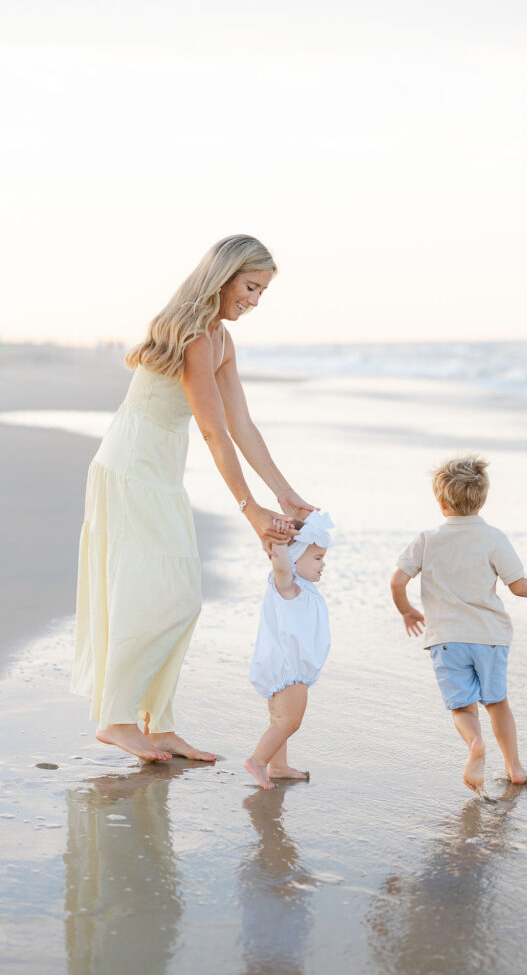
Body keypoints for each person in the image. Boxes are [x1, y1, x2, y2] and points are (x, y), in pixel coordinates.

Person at [71, 235, 315, 763]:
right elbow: (212, 431)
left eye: (262, 291)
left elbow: (242, 425)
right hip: (132, 467)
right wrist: (251, 510)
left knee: (181, 598)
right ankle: (117, 720)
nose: (254, 300)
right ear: (223, 277)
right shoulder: (195, 336)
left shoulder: (222, 339)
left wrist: (286, 493)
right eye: (250, 286)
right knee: (163, 597)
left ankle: (158, 726)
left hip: (159, 469)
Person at [390, 455, 527, 793]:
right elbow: (518, 585)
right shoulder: (493, 537)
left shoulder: (427, 539)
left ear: (441, 503)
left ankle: (475, 744)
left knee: (463, 708)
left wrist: (407, 611)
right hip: (490, 639)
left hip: (446, 640)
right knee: (497, 704)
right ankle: (515, 768)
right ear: (482, 500)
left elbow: (396, 582)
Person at [245, 511, 333, 790]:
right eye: (317, 558)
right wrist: (281, 543)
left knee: (280, 720)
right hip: (289, 669)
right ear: (295, 559)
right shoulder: (288, 585)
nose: (324, 564)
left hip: (288, 668)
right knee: (290, 722)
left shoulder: (303, 589)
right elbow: (282, 566)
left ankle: (278, 766)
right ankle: (257, 761)